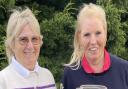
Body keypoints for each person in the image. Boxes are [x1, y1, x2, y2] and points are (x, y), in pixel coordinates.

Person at [61, 3, 128, 89]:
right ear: (79, 37)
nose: (93, 41)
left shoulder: (125, 70)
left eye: (98, 33)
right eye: (87, 34)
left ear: (106, 33)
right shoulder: (70, 74)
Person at [0, 8, 56, 89]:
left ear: (40, 42)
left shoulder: (47, 77)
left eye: (34, 39)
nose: (30, 46)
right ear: (12, 44)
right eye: (23, 39)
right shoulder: (3, 80)